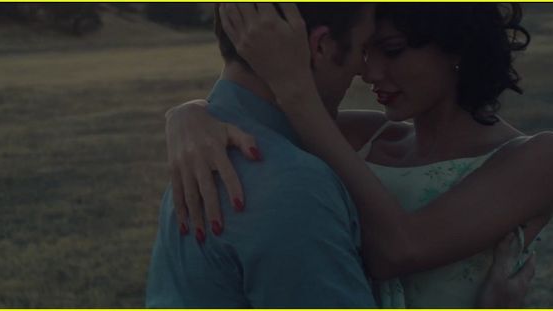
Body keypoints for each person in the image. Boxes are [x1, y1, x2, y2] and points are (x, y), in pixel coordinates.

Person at [161, 3, 553, 308]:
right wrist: (189, 116)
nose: (369, 72)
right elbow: (259, 121)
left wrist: (296, 88)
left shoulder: (537, 157)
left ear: (456, 47)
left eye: (391, 51)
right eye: (367, 51)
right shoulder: (365, 135)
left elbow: (400, 249)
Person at [146, 3, 379, 307]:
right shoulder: (293, 185)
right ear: (320, 46)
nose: (364, 69)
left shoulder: (203, 145)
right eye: (363, 49)